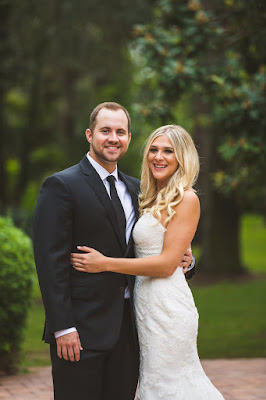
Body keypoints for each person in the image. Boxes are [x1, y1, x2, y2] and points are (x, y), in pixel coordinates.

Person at [33, 102, 194, 400]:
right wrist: (63, 326)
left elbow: (152, 246)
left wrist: (187, 259)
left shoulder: (138, 190)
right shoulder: (61, 186)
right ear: (89, 134)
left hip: (130, 328)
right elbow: (49, 262)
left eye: (120, 132)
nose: (113, 138)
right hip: (80, 329)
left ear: (129, 138)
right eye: (105, 130)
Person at [71, 124, 226, 400]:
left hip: (168, 308)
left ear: (182, 157)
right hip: (144, 308)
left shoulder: (186, 198)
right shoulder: (149, 196)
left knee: (170, 385)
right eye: (153, 150)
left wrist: (105, 263)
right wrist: (186, 260)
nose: (158, 156)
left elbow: (166, 265)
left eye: (168, 151)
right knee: (154, 385)